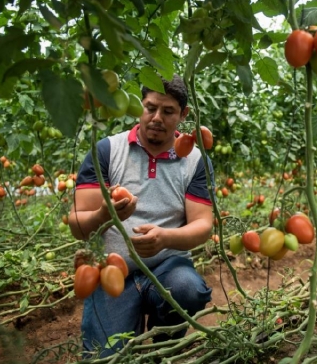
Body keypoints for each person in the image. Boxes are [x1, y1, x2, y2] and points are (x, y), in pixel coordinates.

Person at [68, 74, 214, 358]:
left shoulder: (195, 160)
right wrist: (104, 214)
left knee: (188, 290)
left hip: (169, 269)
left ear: (183, 114)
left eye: (168, 111)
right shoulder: (108, 150)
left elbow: (203, 224)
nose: (157, 117)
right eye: (150, 108)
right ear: (140, 107)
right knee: (105, 357)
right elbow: (77, 224)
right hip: (113, 273)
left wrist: (165, 238)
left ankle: (162, 351)